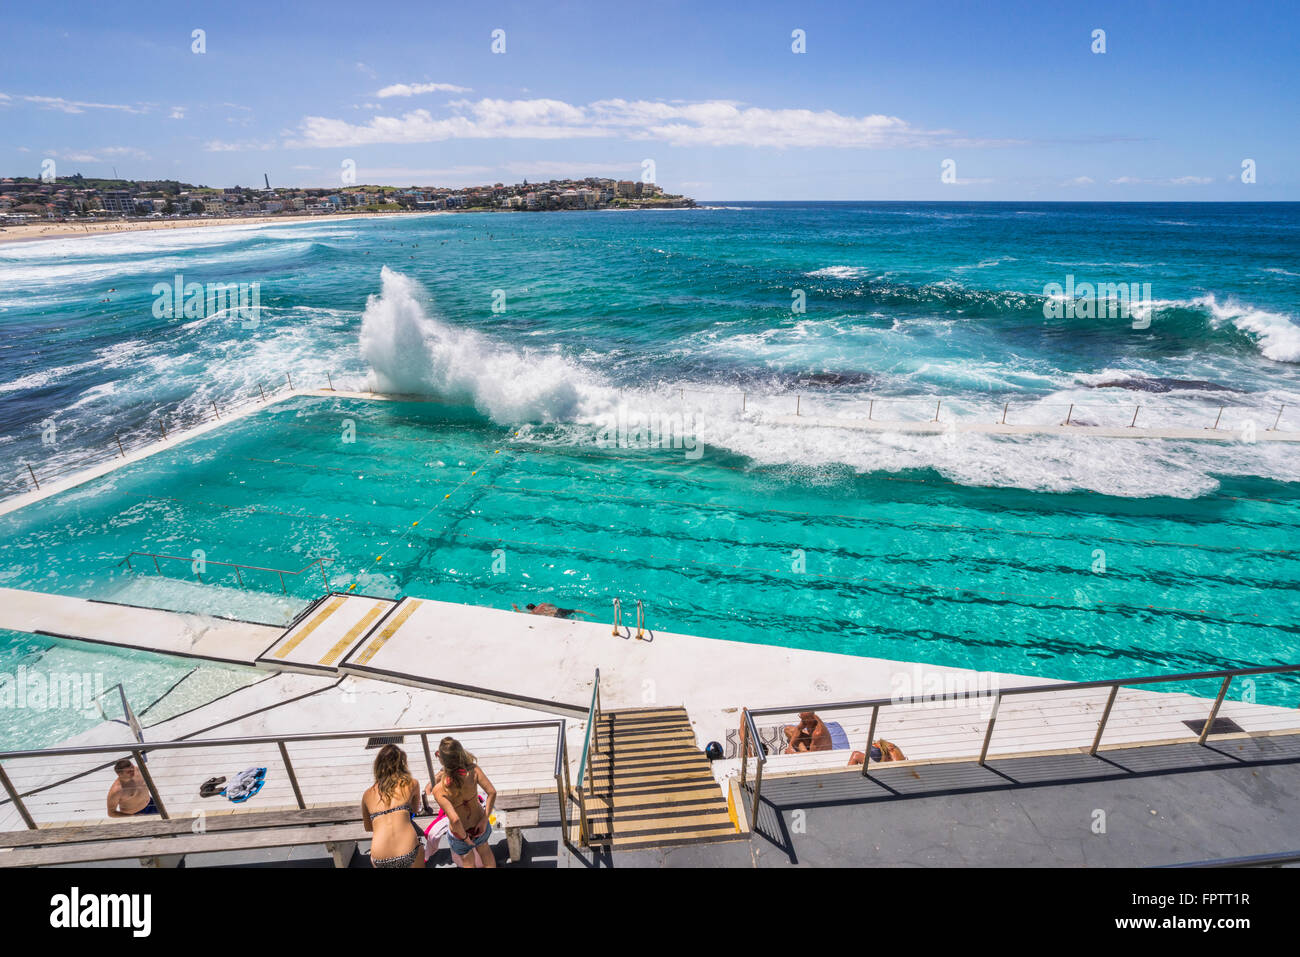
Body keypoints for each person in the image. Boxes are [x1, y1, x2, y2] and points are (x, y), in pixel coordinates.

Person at [428, 736, 497, 868]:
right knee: (485, 850)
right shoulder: (473, 770)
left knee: (467, 861)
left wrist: (465, 838)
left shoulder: (440, 789)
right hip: (479, 823)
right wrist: (484, 820)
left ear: (442, 760)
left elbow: (455, 820)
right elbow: (492, 792)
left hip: (460, 833)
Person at [361, 744, 424, 868]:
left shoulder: (367, 794)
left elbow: (369, 827)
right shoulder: (412, 783)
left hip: (380, 858)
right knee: (421, 849)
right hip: (408, 851)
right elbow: (416, 809)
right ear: (402, 764)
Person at [512, 602, 592, 620]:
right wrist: (554, 607)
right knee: (574, 611)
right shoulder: (542, 604)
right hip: (559, 610)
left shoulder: (534, 612)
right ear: (535, 605)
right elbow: (552, 604)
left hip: (555, 616)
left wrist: (516, 608)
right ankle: (589, 613)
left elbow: (521, 613)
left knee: (568, 620)